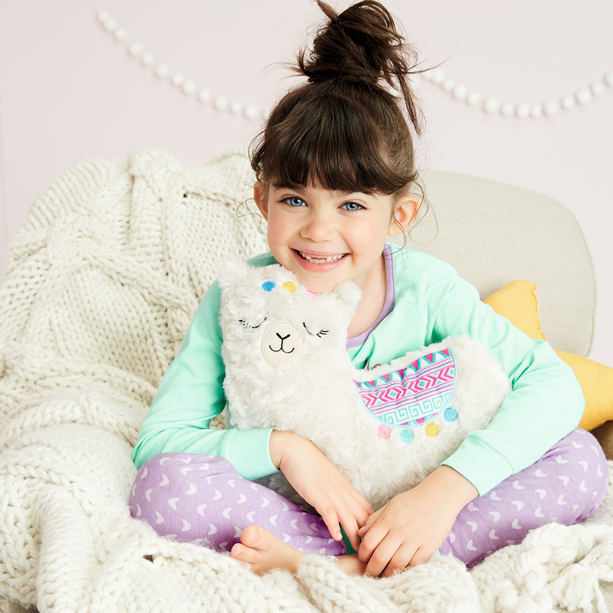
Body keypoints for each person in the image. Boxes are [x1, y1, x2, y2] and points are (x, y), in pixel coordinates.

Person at [129, 0, 608, 577]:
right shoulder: (241, 300)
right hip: (306, 511)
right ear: (262, 200)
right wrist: (283, 448)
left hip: (426, 504)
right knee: (163, 488)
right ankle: (357, 559)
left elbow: (552, 383)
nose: (318, 230)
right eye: (294, 199)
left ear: (398, 216)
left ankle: (347, 566)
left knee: (579, 458)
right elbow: (159, 440)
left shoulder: (427, 288)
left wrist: (445, 491)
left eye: (351, 205)